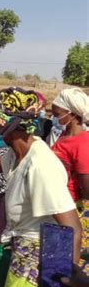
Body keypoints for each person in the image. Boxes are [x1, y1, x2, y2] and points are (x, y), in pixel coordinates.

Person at [0, 87, 81, 287]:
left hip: (38, 260)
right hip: (22, 252)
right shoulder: (18, 153)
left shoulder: (40, 165)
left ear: (5, 122)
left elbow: (71, 227)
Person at [50, 88, 89, 272]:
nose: (54, 117)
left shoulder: (82, 142)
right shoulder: (64, 136)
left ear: (71, 114)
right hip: (57, 205)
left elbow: (86, 186)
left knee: (65, 268)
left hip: (71, 209)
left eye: (57, 114)